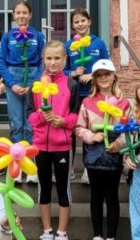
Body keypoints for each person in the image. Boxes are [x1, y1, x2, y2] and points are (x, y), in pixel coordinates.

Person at [27, 40, 80, 240]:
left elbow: (76, 115)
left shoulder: (71, 84)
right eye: (49, 58)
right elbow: (30, 116)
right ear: (43, 60)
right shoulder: (36, 85)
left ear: (65, 59)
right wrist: (42, 116)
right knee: (44, 189)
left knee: (63, 189)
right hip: (40, 146)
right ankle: (47, 231)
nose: (53, 62)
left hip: (62, 146)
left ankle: (62, 232)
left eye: (57, 58)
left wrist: (62, 121)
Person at [75, 59, 130, 240]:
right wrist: (92, 136)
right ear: (95, 79)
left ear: (114, 76)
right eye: (99, 75)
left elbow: (130, 131)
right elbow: (79, 128)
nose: (104, 78)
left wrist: (119, 144)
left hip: (113, 157)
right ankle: (97, 235)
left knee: (112, 196)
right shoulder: (87, 102)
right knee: (96, 196)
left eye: (107, 74)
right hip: (94, 157)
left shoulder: (124, 104)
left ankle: (112, 236)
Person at [0, 0, 45, 183]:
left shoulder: (38, 36)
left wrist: (34, 83)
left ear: (30, 14)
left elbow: (42, 61)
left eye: (25, 12)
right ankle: (15, 164)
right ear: (14, 15)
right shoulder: (7, 37)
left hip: (33, 79)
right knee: (16, 122)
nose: (21, 16)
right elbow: (0, 61)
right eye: (18, 13)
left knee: (30, 122)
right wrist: (12, 83)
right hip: (13, 79)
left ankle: (31, 165)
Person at [64, 8, 110, 182]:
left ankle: (87, 168)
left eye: (83, 20)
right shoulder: (69, 45)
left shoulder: (98, 43)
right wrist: (73, 73)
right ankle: (69, 169)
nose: (80, 24)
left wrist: (93, 74)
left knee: (90, 130)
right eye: (76, 22)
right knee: (73, 129)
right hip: (74, 94)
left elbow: (107, 65)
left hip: (93, 93)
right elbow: (64, 70)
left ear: (89, 22)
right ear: (72, 25)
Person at [124, 85, 140, 240]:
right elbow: (129, 141)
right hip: (137, 172)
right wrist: (127, 158)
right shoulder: (134, 116)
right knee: (137, 212)